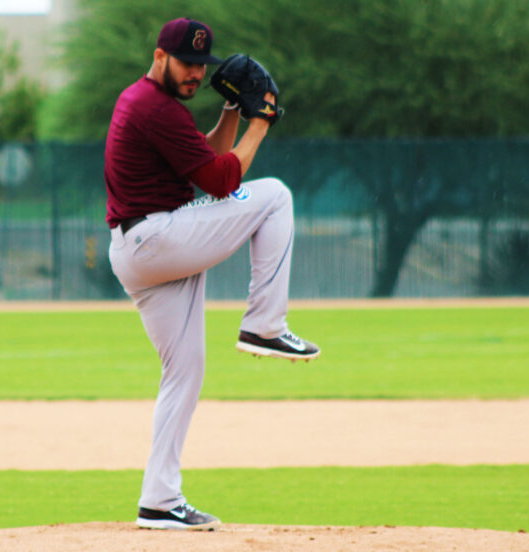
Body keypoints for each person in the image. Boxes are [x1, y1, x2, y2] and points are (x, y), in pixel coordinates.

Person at [104, 18, 321, 530]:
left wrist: (230, 111)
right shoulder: (154, 107)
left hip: (145, 247)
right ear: (160, 56)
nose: (196, 73)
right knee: (274, 197)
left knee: (185, 372)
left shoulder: (148, 104)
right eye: (187, 62)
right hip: (157, 238)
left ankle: (159, 500)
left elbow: (205, 158)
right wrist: (260, 121)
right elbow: (224, 181)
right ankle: (264, 325)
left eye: (202, 66)